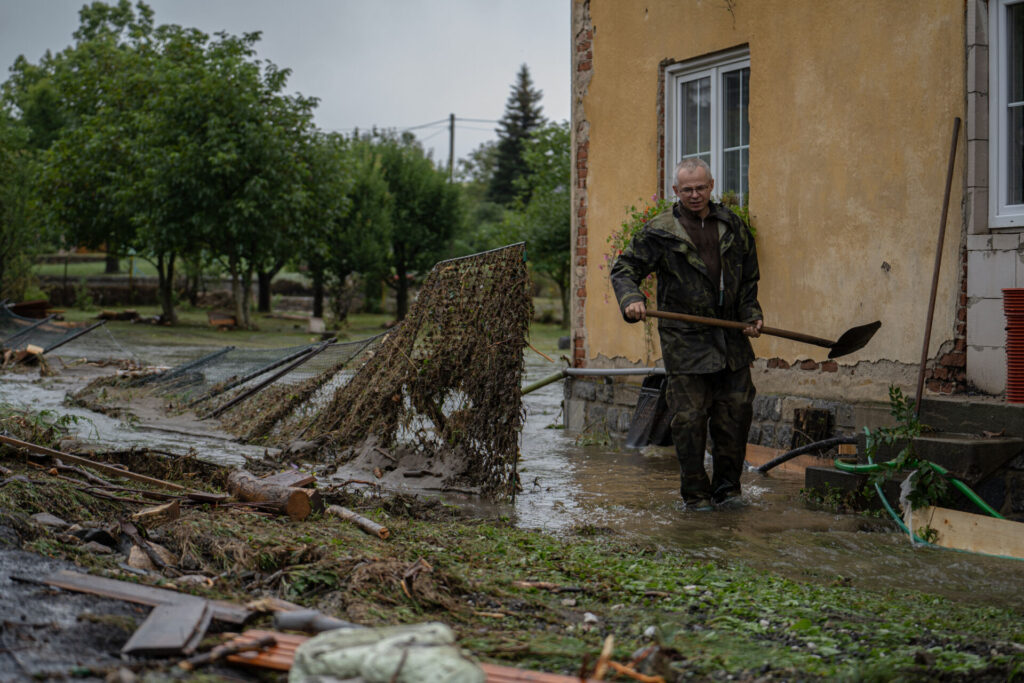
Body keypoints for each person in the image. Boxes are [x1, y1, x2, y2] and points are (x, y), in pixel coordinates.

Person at [610, 158, 763, 510]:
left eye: (701, 187)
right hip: (687, 343)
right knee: (690, 421)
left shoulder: (734, 227)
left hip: (732, 342)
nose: (695, 195)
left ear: (712, 187)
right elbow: (625, 269)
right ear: (676, 191)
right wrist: (632, 299)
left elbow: (749, 280)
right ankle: (696, 497)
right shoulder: (660, 231)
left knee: (735, 417)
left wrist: (751, 314)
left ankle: (729, 490)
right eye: (687, 189)